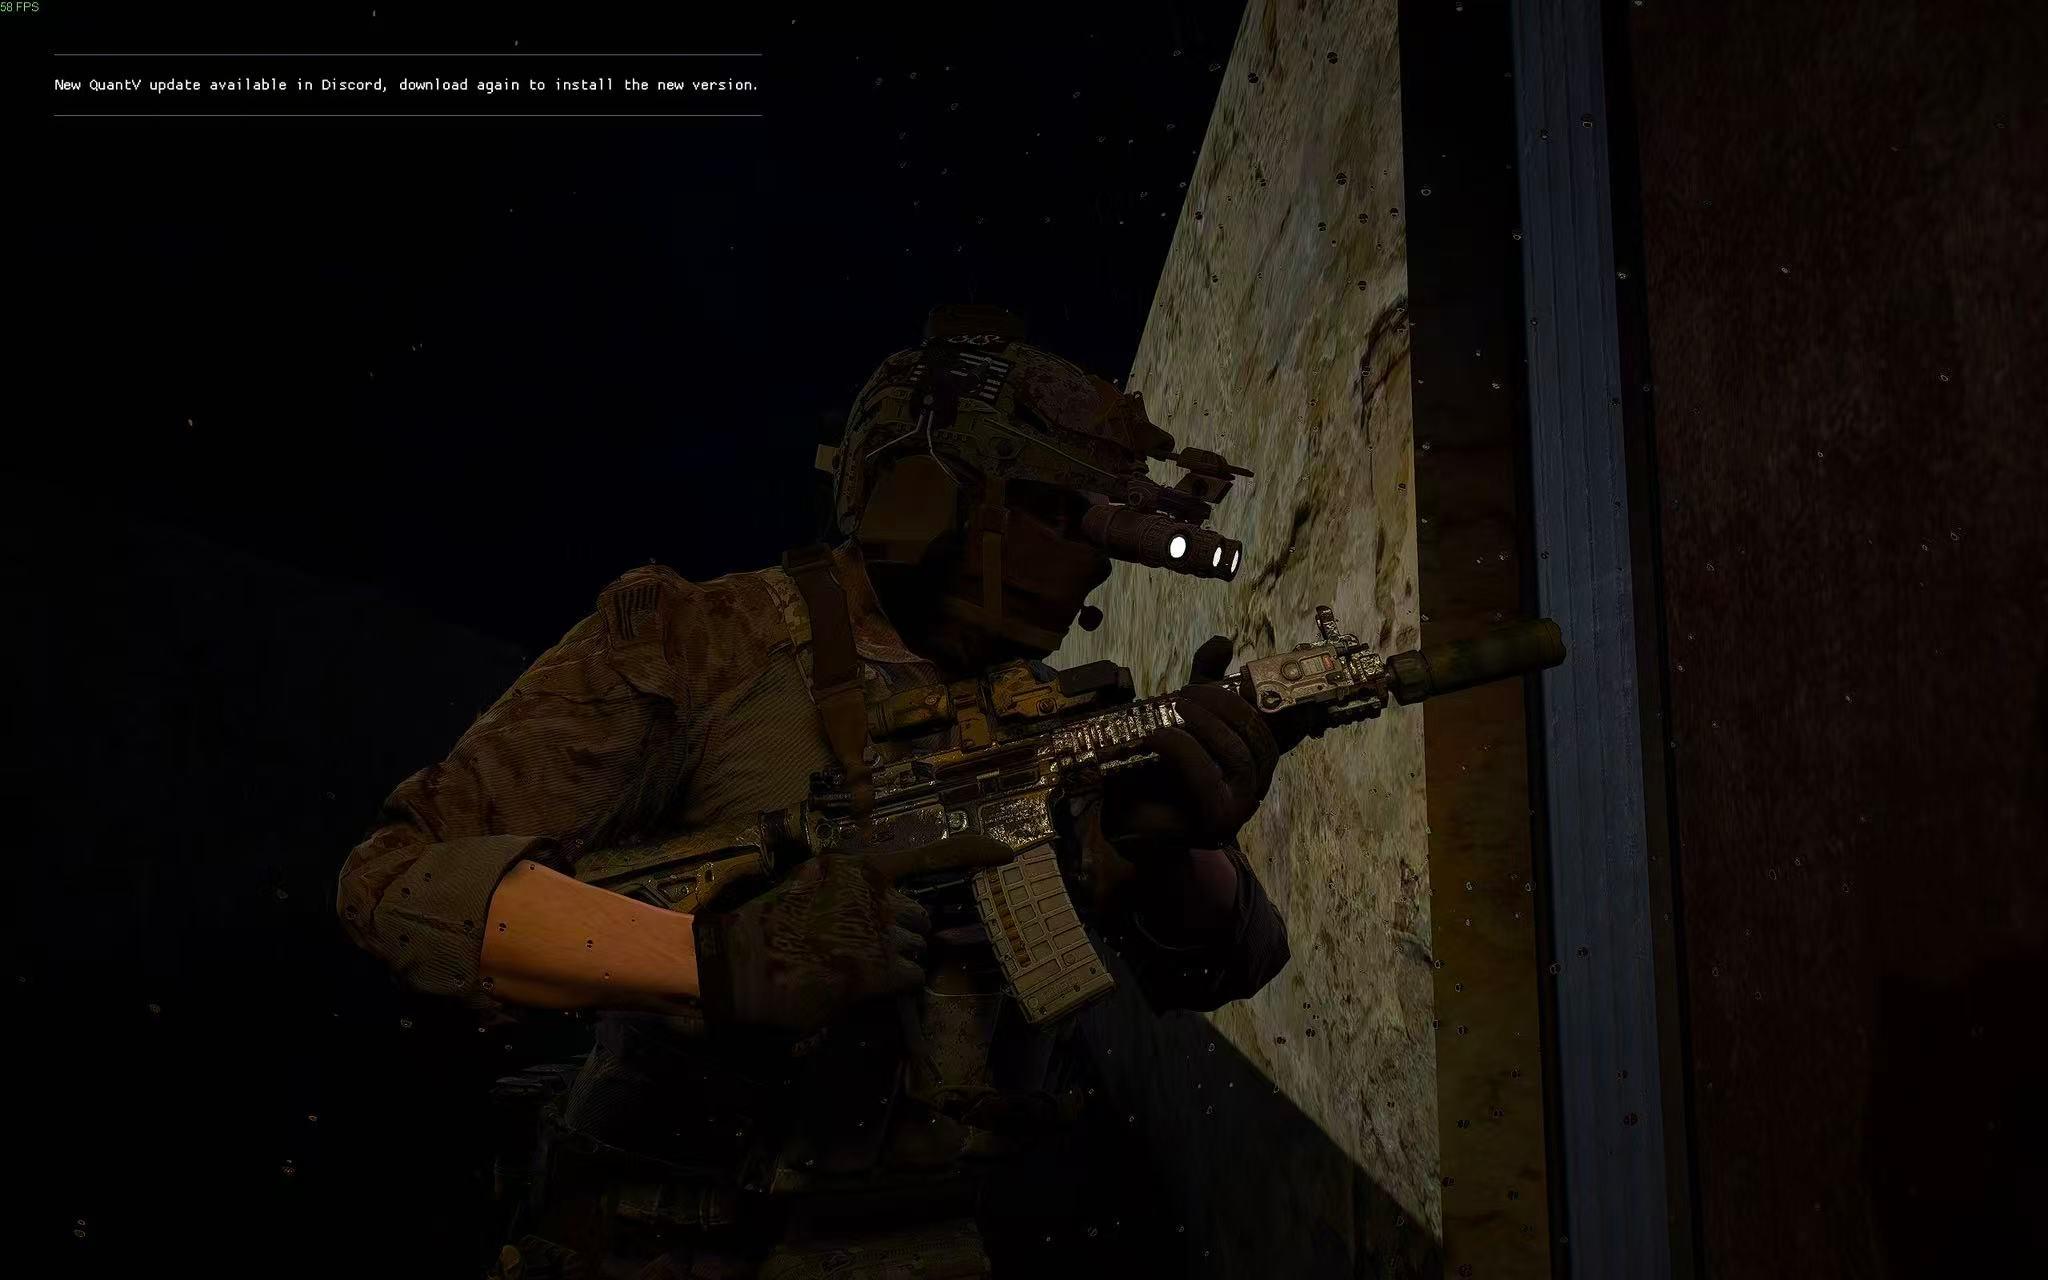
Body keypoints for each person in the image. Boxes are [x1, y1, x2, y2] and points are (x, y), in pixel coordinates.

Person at [336, 305, 1291, 1278]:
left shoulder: (1042, 710)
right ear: (922, 497)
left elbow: (1233, 962)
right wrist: (718, 961)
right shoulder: (700, 643)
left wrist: (1168, 845)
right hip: (669, 1237)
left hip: (932, 1242)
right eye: (1053, 513)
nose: (1085, 560)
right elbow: (398, 886)